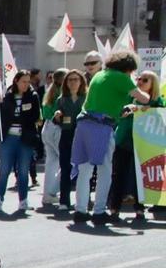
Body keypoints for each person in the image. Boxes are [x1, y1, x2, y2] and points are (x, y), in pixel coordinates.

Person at [70, 50, 151, 226]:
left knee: (84, 170)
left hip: (83, 123)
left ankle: (80, 211)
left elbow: (103, 103)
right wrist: (141, 89)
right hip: (102, 126)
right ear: (128, 68)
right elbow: (144, 99)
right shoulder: (121, 77)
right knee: (105, 170)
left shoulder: (100, 75)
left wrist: (122, 109)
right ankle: (99, 212)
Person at [108, 70, 164, 224]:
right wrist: (125, 112)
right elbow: (117, 114)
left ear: (153, 83)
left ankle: (139, 209)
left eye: (145, 80)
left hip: (145, 144)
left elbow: (161, 117)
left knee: (141, 176)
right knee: (118, 174)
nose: (140, 82)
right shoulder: (129, 97)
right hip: (124, 140)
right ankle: (114, 209)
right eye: (139, 79)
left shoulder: (157, 101)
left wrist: (148, 110)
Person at [0, 70, 41, 214]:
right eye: (23, 82)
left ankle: (23, 200)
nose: (26, 85)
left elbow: (36, 115)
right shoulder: (7, 96)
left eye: (28, 82)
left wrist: (22, 118)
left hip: (25, 137)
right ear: (16, 81)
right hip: (9, 137)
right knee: (4, 169)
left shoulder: (33, 96)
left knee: (23, 170)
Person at [55, 69, 86, 210]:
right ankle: (64, 201)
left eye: (76, 79)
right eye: (70, 80)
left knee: (84, 170)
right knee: (65, 168)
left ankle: (83, 200)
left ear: (81, 82)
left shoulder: (86, 98)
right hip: (66, 135)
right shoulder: (61, 100)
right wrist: (57, 116)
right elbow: (57, 121)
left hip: (83, 135)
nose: (73, 82)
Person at [38, 69, 66, 209]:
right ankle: (53, 190)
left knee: (51, 163)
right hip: (57, 128)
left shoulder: (49, 91)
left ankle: (47, 194)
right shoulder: (62, 93)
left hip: (47, 127)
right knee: (67, 162)